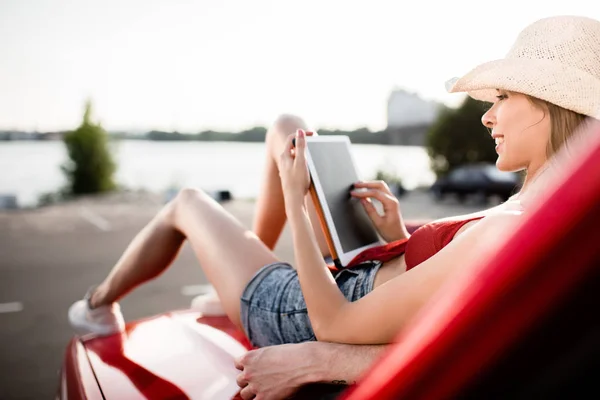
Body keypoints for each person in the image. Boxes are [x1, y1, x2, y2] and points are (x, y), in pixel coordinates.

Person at [69, 15, 600, 399]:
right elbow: (456, 282)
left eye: (504, 97)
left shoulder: (513, 224)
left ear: (555, 107)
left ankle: (97, 305)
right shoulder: (536, 212)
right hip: (365, 268)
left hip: (313, 309)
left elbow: (333, 323)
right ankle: (244, 276)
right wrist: (405, 231)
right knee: (287, 128)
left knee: (186, 204)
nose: (487, 117)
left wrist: (297, 205)